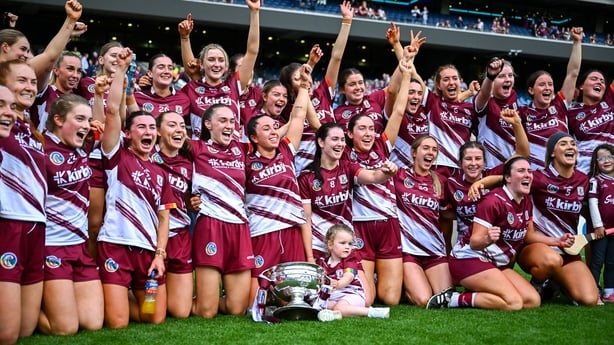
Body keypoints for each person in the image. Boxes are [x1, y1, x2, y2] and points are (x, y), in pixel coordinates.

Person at [429, 157, 571, 310]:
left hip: (496, 263)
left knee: (532, 301)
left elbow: (528, 236)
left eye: (529, 171)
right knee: (514, 302)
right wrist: (488, 238)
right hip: (469, 259)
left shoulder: (526, 201)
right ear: (508, 178)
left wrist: (558, 241)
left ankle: (480, 288)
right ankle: (454, 298)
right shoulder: (493, 201)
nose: (528, 175)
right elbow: (475, 242)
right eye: (521, 171)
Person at [97, 48, 174, 328]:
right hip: (115, 246)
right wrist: (121, 70)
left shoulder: (160, 172)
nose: (148, 132)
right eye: (141, 127)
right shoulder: (116, 155)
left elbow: (164, 217)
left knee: (153, 317)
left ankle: (120, 295)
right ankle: (111, 297)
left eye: (152, 127)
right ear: (128, 134)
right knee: (118, 324)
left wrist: (160, 254)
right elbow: (112, 111)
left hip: (147, 255)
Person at [342, 57, 413, 306]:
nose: (368, 133)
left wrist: (406, 76)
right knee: (368, 300)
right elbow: (369, 177)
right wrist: (387, 173)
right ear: (349, 134)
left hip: (389, 225)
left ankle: (377, 277)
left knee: (391, 300)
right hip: (361, 227)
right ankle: (365, 278)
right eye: (361, 129)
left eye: (371, 128)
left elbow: (399, 111)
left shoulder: (383, 144)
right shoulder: (346, 157)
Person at [37, 94, 104, 335]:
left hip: (80, 247)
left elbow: (111, 117)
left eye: (88, 120)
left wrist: (111, 83)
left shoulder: (83, 147)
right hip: (52, 247)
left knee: (93, 323)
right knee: (65, 328)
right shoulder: (40, 149)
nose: (87, 125)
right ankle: (26, 311)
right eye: (79, 119)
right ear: (57, 119)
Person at [245, 64, 311, 301]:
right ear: (253, 138)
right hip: (262, 232)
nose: (274, 131)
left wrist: (304, 85)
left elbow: (299, 115)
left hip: (292, 231)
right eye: (266, 129)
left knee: (293, 298)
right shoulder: (245, 161)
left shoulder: (286, 150)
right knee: (252, 302)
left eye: (274, 127)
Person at [517, 132, 599, 306]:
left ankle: (555, 282)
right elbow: (528, 235)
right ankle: (538, 284)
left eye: (573, 144)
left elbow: (594, 212)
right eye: (563, 144)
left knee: (588, 299)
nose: (570, 147)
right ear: (552, 152)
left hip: (568, 251)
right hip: (537, 247)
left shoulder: (583, 181)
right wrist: (481, 183)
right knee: (551, 260)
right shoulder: (537, 178)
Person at [298, 123, 398, 262]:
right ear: (321, 142)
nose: (340, 144)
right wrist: (309, 257)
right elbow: (306, 221)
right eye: (334, 139)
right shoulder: (306, 177)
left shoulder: (348, 167)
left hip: (346, 247)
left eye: (342, 139)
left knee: (363, 285)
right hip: (319, 248)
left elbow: (374, 176)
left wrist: (388, 172)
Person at [190, 104, 254, 319]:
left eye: (231, 121)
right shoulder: (196, 148)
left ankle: (194, 297)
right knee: (206, 312)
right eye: (222, 121)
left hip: (239, 226)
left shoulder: (241, 147)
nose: (229, 125)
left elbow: (277, 135)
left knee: (237, 309)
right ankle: (178, 299)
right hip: (210, 224)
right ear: (207, 124)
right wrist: (187, 199)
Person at [0, 61, 46, 344]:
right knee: (7, 333)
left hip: (36, 226)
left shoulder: (28, 128)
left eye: (33, 82)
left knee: (25, 330)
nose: (30, 86)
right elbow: (51, 58)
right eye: (22, 81)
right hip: (9, 224)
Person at [279, 1, 353, 174]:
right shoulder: (289, 111)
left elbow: (336, 58)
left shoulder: (323, 93)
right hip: (303, 172)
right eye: (297, 79)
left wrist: (347, 22)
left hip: (332, 168)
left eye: (305, 75)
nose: (305, 79)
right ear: (290, 88)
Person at [441, 108, 529, 253]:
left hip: (494, 245)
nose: (473, 163)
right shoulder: (452, 184)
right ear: (460, 163)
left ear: (484, 161)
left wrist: (517, 124)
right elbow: (445, 213)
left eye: (478, 159)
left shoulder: (494, 173)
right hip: (466, 245)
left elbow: (522, 153)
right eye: (468, 159)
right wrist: (462, 214)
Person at [178, 0, 260, 139]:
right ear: (202, 64)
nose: (216, 64)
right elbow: (190, 69)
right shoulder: (193, 88)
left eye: (221, 60)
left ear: (226, 67)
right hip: (202, 156)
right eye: (211, 60)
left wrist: (255, 12)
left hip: (232, 156)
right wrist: (185, 38)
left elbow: (252, 51)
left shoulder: (234, 85)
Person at [393, 135, 452, 307]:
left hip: (434, 250)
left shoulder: (440, 181)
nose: (430, 152)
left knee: (445, 296)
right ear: (413, 152)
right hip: (408, 251)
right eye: (426, 148)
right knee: (424, 300)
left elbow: (447, 214)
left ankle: (410, 282)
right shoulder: (399, 175)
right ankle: (404, 285)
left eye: (434, 150)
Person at [519, 27, 583, 170]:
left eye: (550, 84)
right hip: (536, 175)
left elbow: (572, 73)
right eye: (542, 84)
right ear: (531, 90)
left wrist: (577, 42)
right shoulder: (522, 112)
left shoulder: (559, 104)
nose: (547, 88)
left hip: (562, 171)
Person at [152, 111, 194, 319]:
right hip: (151, 237)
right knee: (152, 312)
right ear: (158, 131)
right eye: (171, 125)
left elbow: (189, 198)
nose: (179, 129)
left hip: (180, 237)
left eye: (182, 126)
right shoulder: (146, 157)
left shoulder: (188, 164)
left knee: (180, 312)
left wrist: (191, 202)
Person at [0, 0, 85, 93]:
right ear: (5, 47)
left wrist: (71, 20)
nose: (26, 55)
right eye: (23, 49)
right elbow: (49, 56)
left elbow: (50, 56)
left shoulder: (23, 70)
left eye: (28, 51)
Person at [316, 224, 390, 322]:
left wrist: (338, 284)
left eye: (350, 244)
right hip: (334, 296)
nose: (347, 247)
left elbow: (349, 277)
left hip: (352, 294)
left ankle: (373, 312)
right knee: (319, 304)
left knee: (340, 307)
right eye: (343, 243)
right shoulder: (323, 262)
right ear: (330, 245)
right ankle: (337, 314)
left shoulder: (350, 260)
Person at [473, 57, 519, 170]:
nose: (508, 79)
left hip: (510, 170)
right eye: (501, 76)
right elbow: (484, 93)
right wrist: (490, 76)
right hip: (488, 168)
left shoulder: (515, 101)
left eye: (510, 75)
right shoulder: (485, 101)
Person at [567, 70, 614, 174]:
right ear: (581, 86)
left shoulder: (610, 101)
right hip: (584, 173)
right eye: (594, 79)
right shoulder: (571, 112)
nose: (599, 82)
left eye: (602, 81)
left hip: (611, 172)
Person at [587, 143, 614, 302]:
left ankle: (609, 291)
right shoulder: (595, 181)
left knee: (612, 261)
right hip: (600, 231)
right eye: (601, 158)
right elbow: (593, 204)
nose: (607, 160)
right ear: (596, 163)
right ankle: (593, 289)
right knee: (597, 261)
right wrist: (598, 225)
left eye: (610, 156)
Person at [30, 52, 83, 132]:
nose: (75, 75)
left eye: (79, 71)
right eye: (70, 69)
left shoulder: (80, 101)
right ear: (56, 70)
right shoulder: (45, 91)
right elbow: (48, 62)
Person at [133, 53, 190, 118]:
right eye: (161, 67)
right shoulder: (137, 97)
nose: (166, 71)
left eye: (170, 68)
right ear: (150, 73)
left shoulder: (184, 99)